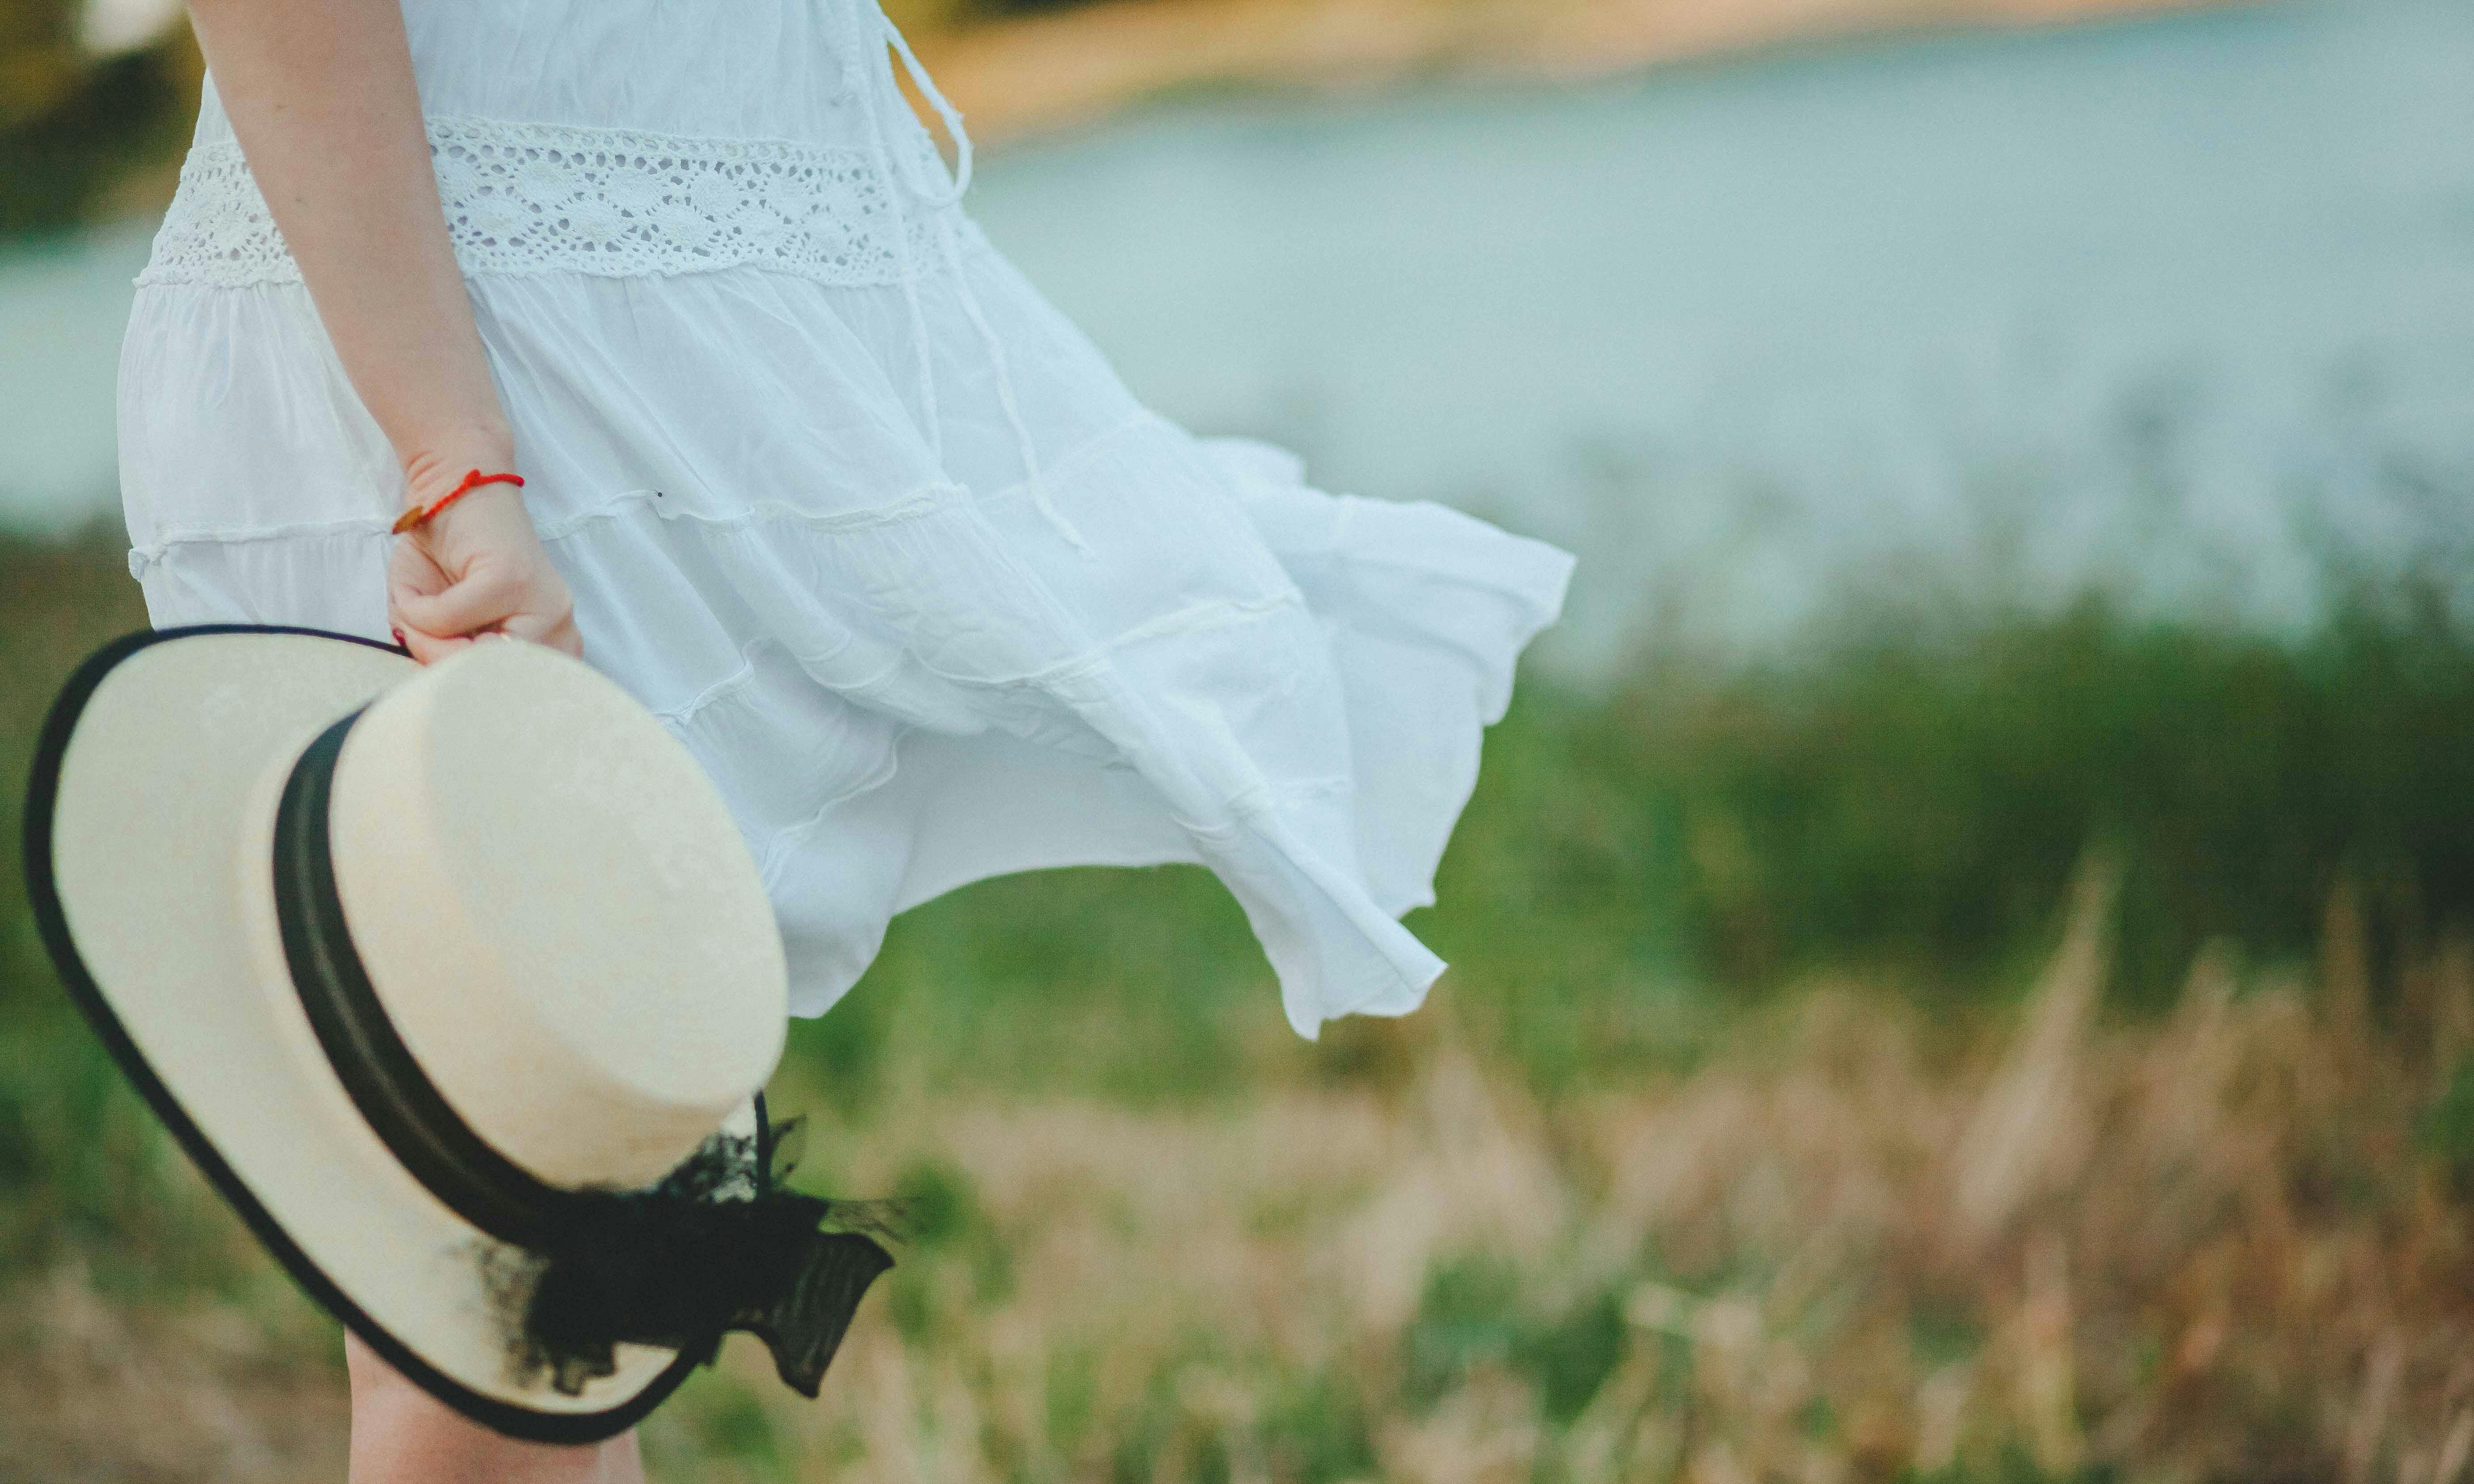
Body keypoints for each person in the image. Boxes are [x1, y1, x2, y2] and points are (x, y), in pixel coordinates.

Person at [126, 0, 1574, 1477]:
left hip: (685, 374)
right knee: (497, 1335)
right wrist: (449, 456)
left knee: (565, 1319)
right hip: (453, 407)